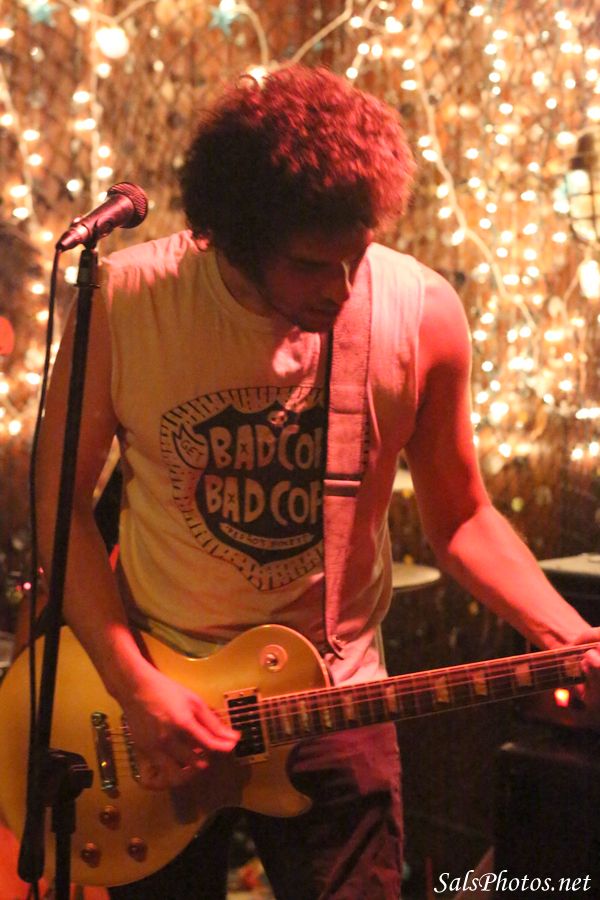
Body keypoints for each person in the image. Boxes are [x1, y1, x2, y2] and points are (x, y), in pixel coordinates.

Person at [36, 65, 600, 899]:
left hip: (338, 703)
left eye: (355, 256)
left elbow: (461, 517)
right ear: (230, 239)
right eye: (308, 266)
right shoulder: (127, 303)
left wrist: (568, 635)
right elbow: (60, 510)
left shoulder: (419, 312)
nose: (339, 289)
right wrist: (134, 684)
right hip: (155, 698)